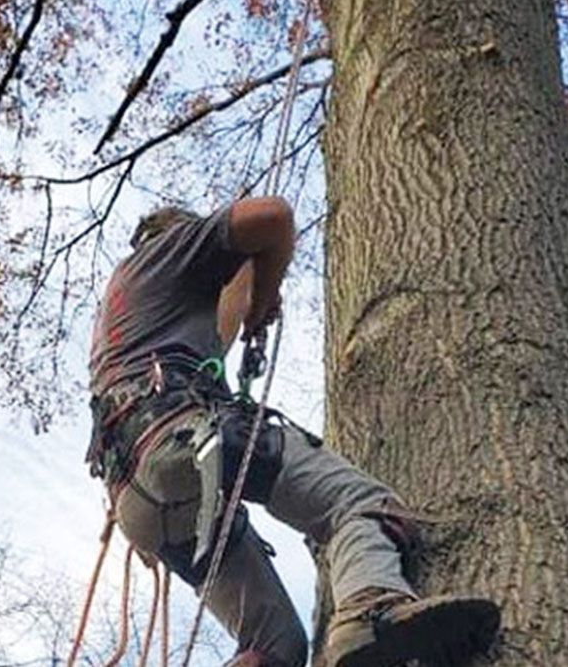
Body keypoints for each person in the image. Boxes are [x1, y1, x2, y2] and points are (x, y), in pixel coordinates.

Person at [85, 197, 500, 667]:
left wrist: (246, 301)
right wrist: (263, 296)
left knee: (275, 647)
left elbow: (211, 335)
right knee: (357, 502)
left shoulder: (125, 306)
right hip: (183, 434)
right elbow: (273, 218)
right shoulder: (175, 249)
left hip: (138, 498)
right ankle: (370, 609)